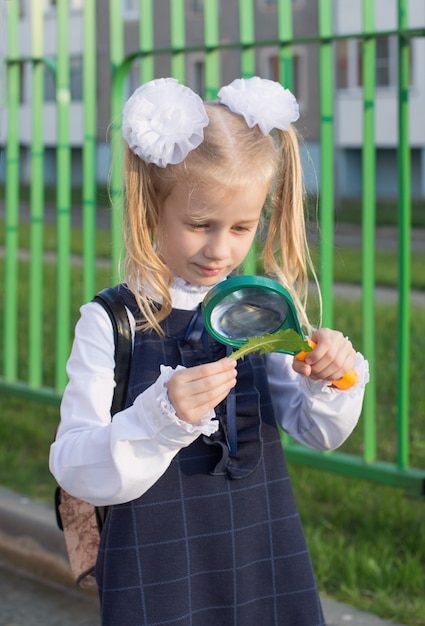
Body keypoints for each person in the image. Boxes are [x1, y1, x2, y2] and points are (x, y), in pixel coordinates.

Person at [50, 76, 369, 626]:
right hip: (161, 561)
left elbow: (316, 429)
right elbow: (73, 465)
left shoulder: (257, 308)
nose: (221, 249)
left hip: (261, 548)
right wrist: (159, 416)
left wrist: (328, 376)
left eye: (242, 226)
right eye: (200, 225)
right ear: (152, 208)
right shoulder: (112, 321)